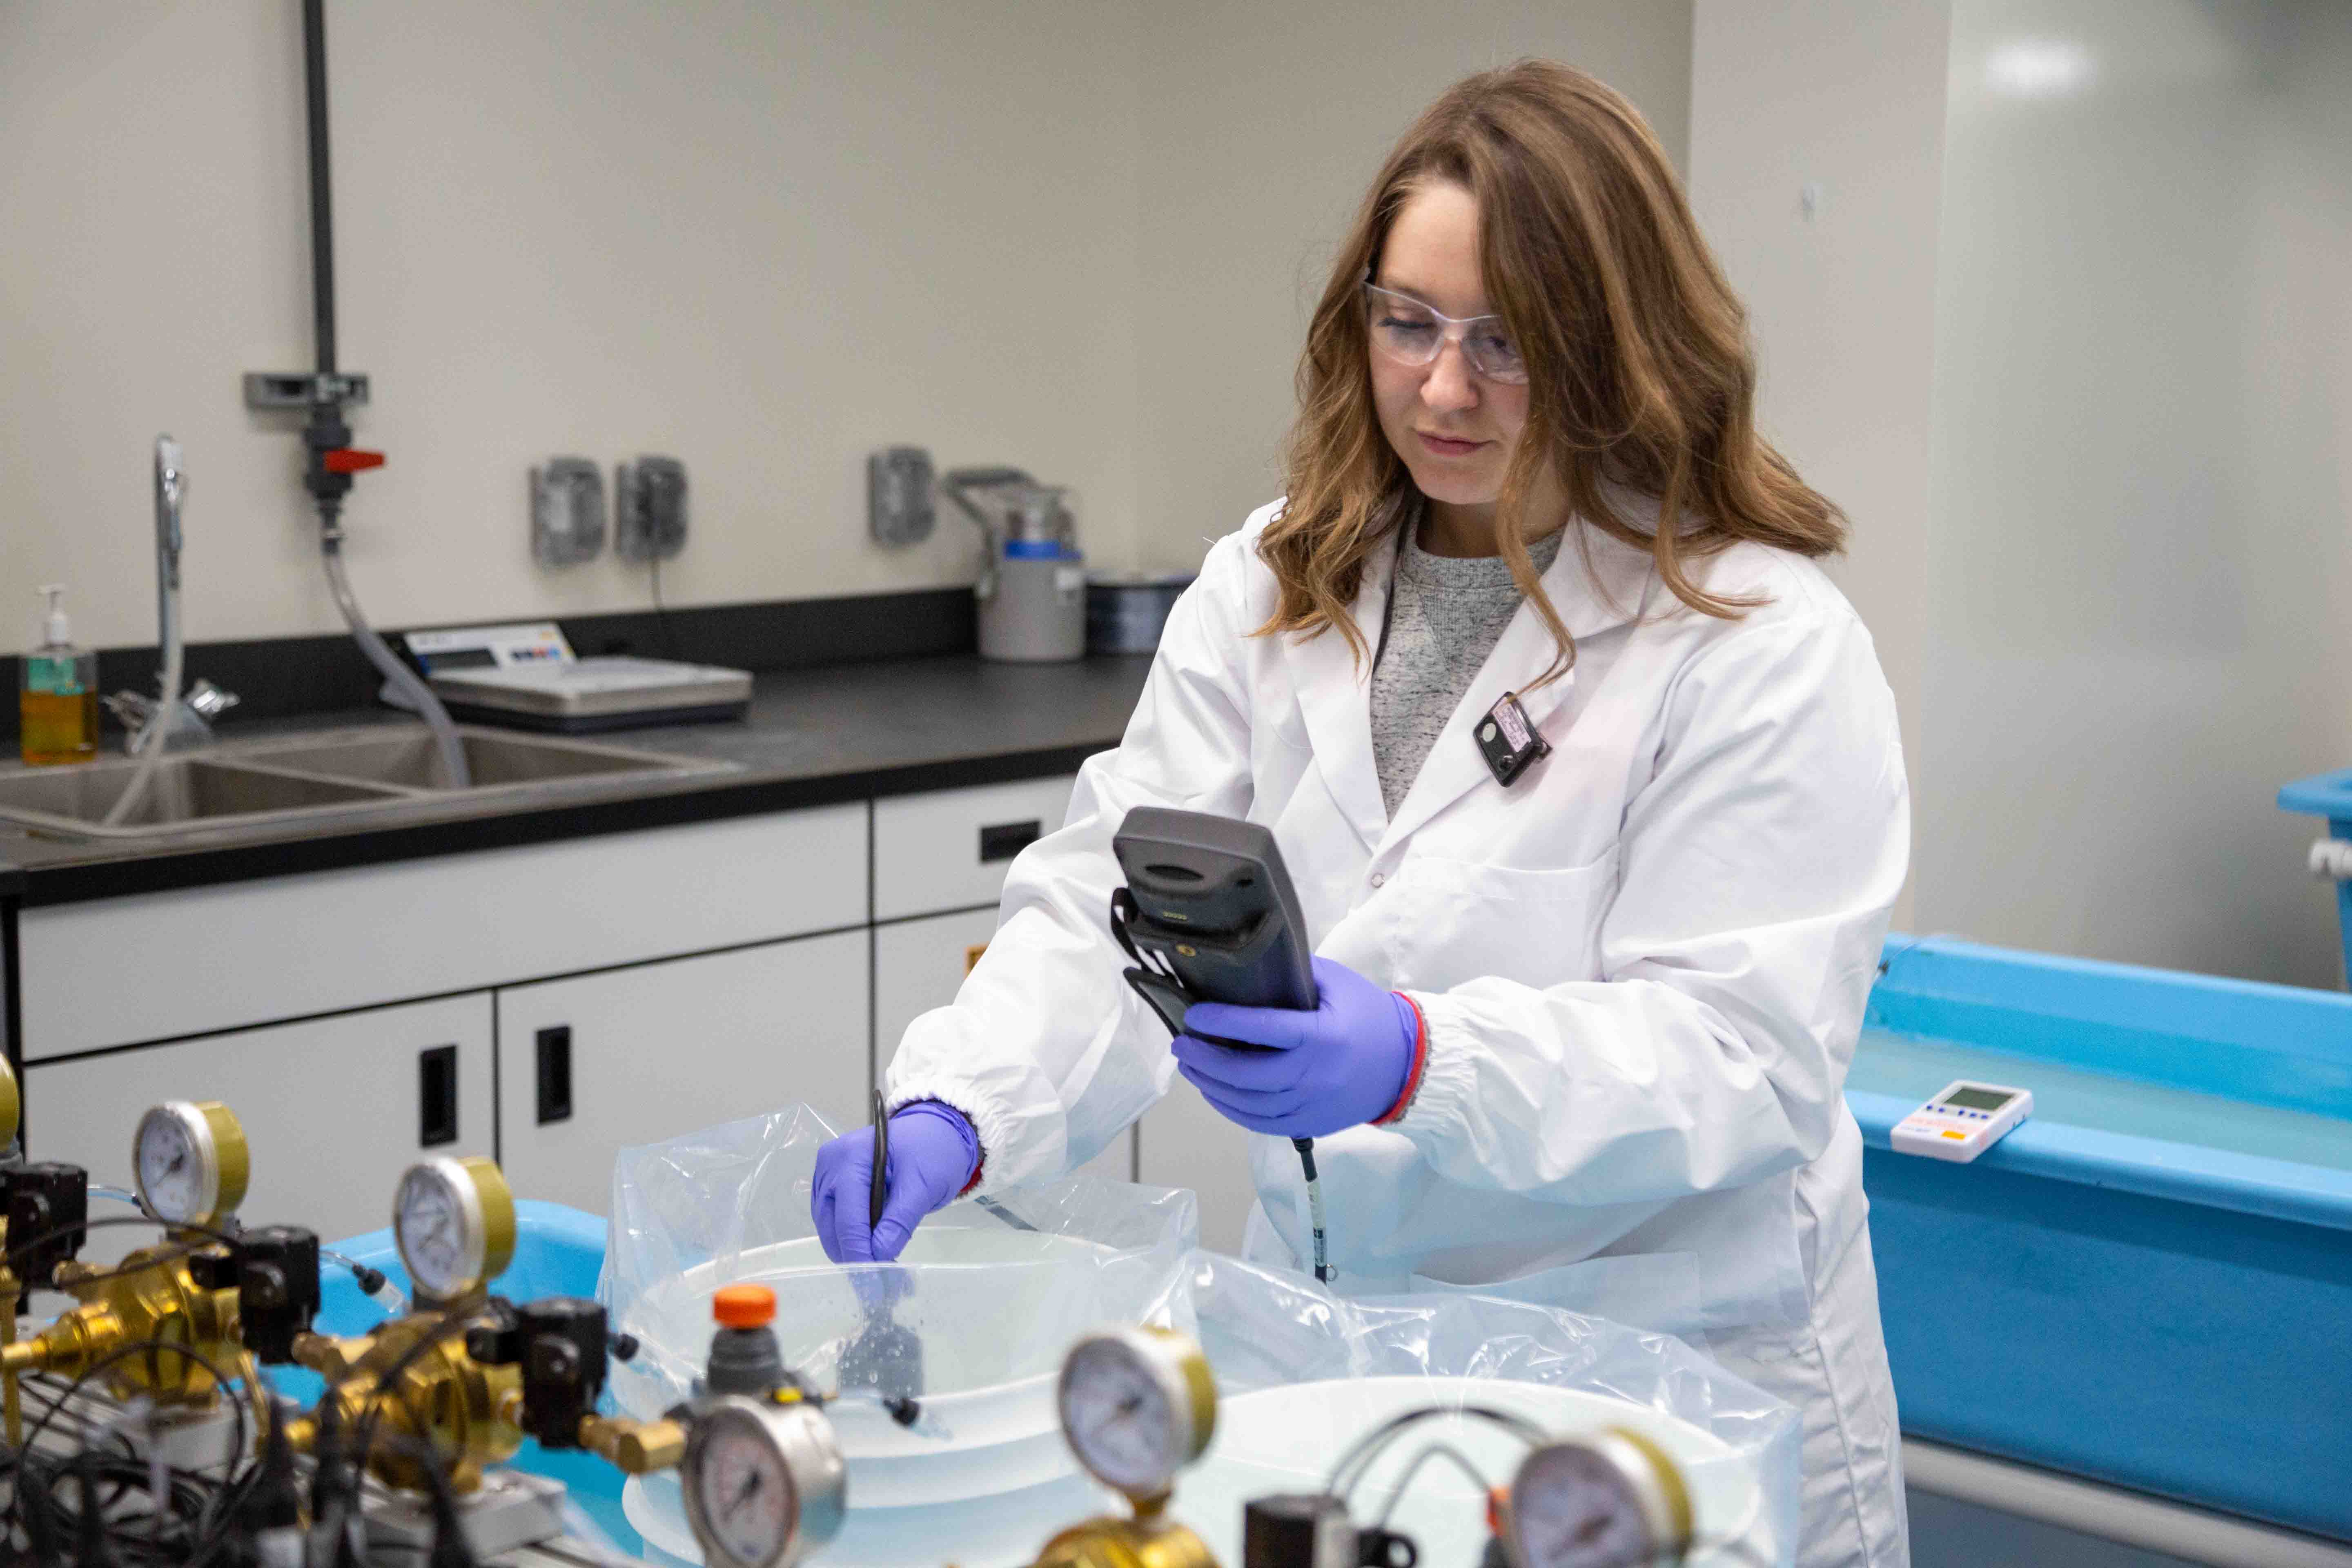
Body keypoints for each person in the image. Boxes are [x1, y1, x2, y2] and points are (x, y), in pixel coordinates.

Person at [812, 60, 1908, 1566]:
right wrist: (959, 1103)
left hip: (1648, 1395)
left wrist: (1418, 1059)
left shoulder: (1755, 638)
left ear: (1621, 350)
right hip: (1326, 1360)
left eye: (1509, 344)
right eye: (1408, 324)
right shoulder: (1273, 582)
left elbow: (1741, 1063)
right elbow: (1105, 908)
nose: (1445, 390)